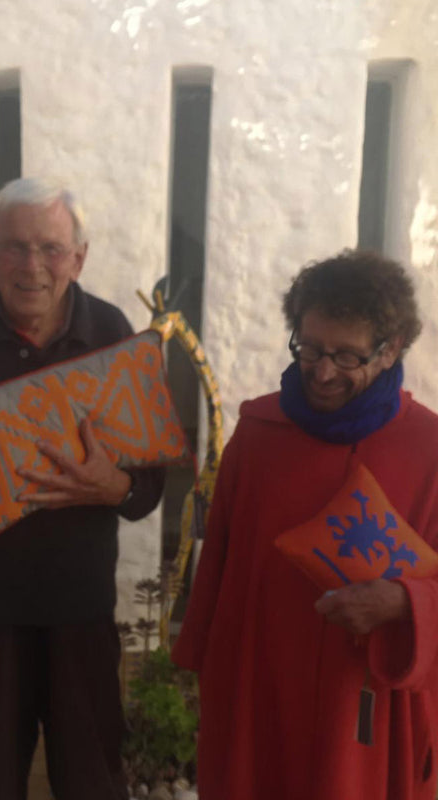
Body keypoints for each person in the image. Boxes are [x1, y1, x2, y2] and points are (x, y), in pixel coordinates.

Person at [0, 177, 166, 800]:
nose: (31, 266)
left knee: (91, 778)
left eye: (51, 249)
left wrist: (112, 485)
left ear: (79, 258)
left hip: (78, 609)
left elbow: (149, 485)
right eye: (14, 247)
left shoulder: (112, 332)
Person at [172, 250, 438, 800]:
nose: (320, 372)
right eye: (310, 347)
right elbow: (218, 557)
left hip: (363, 694)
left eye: (346, 357)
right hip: (258, 683)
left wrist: (401, 601)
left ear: (390, 351)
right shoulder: (259, 433)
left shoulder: (428, 449)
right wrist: (200, 663)